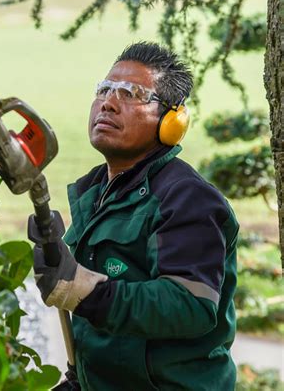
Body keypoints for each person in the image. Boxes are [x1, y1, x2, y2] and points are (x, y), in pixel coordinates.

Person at [29, 42, 239, 391]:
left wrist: (85, 291)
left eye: (131, 93)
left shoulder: (186, 198)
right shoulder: (94, 193)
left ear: (171, 122)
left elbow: (190, 305)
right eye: (104, 89)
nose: (108, 102)